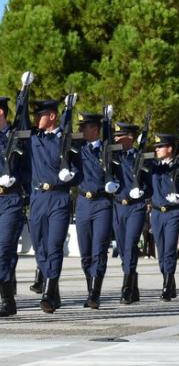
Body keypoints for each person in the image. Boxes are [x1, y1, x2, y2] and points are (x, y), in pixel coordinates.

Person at [28, 98, 79, 313]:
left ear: (52, 116)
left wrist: (69, 176)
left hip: (59, 197)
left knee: (54, 245)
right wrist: (25, 91)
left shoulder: (66, 140)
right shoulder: (32, 139)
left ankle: (49, 292)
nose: (37, 119)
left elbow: (79, 172)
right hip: (38, 198)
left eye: (41, 115)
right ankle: (53, 286)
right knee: (39, 246)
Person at [147, 133, 179, 301]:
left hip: (173, 212)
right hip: (157, 212)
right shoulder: (154, 166)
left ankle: (166, 286)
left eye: (160, 146)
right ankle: (169, 281)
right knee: (161, 250)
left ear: (170, 149)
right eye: (156, 147)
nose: (157, 149)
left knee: (169, 249)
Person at [76, 112, 113, 309]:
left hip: (102, 204)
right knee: (85, 253)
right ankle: (89, 288)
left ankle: (95, 293)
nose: (80, 130)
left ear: (96, 130)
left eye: (85, 127)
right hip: (83, 202)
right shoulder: (77, 149)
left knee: (99, 250)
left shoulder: (108, 149)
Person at [112, 121, 148, 304]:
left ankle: (126, 288)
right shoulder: (113, 156)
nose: (116, 138)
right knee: (122, 247)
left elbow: (151, 182)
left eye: (120, 136)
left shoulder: (141, 157)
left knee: (130, 244)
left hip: (136, 206)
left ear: (131, 138)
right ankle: (133, 283)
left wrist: (143, 191)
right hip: (118, 205)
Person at [0, 97, 29, 316]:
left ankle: (5, 299)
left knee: (4, 249)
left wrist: (16, 179)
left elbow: (30, 169)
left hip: (11, 199)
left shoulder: (17, 137)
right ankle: (8, 299)